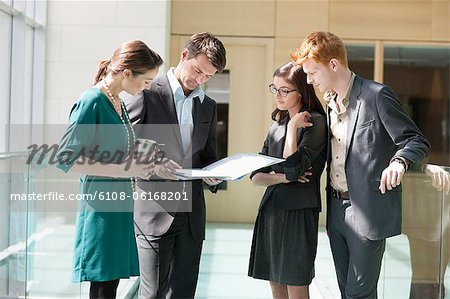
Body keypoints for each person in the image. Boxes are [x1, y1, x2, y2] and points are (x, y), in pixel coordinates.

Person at [289, 31, 431, 298]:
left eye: (313, 73)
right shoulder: (330, 104)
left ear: (334, 64)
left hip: (368, 211)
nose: (309, 81)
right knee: (348, 292)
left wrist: (399, 161)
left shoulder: (377, 96)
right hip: (336, 212)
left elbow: (416, 140)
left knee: (358, 294)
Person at [56, 40, 163, 299]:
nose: (147, 87)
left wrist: (144, 149)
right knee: (103, 286)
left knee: (111, 284)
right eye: (146, 80)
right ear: (127, 73)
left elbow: (114, 147)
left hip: (119, 205)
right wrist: (123, 170)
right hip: (100, 209)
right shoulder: (91, 100)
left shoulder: (118, 102)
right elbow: (65, 158)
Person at [125, 32, 226, 298]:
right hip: (154, 212)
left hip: (192, 217)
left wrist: (214, 174)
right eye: (197, 71)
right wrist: (154, 164)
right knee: (153, 293)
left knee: (184, 292)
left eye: (208, 76)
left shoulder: (208, 106)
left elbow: (208, 155)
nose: (200, 80)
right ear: (184, 56)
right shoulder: (146, 92)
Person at [248, 62, 327, 299]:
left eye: (285, 90)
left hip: (298, 211)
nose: (278, 96)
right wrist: (282, 178)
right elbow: (256, 175)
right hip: (271, 208)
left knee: (296, 285)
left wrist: (293, 127)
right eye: (275, 89)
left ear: (301, 92)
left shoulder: (316, 122)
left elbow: (293, 168)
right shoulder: (277, 124)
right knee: (276, 284)